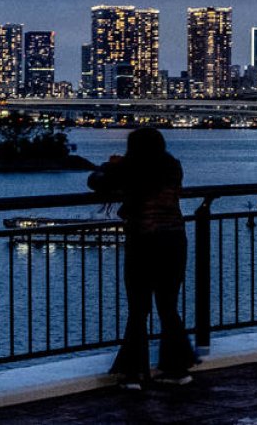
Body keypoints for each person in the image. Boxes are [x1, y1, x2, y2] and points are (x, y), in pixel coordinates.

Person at [88, 127, 198, 390]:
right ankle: (176, 368)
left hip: (143, 241)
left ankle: (133, 373)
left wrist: (109, 165)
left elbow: (96, 182)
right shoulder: (172, 166)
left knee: (138, 308)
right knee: (168, 306)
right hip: (174, 240)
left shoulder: (130, 167)